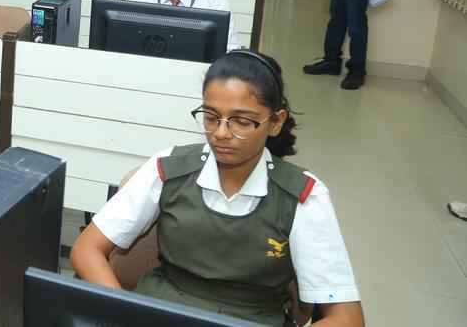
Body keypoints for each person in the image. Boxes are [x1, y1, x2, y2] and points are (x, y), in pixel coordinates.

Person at [71, 50, 364, 327]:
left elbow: (347, 318)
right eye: (211, 117)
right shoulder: (168, 169)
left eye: (242, 122)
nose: (221, 133)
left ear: (275, 122)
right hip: (161, 313)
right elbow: (87, 249)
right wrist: (125, 314)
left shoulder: (302, 196)